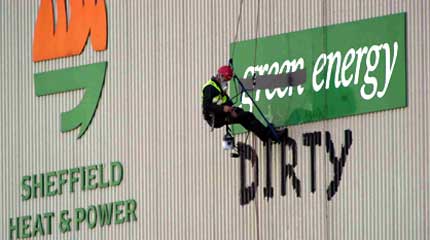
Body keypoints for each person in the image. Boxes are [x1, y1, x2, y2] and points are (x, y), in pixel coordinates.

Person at [202, 65, 280, 142]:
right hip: (215, 118)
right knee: (247, 116)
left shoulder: (219, 86)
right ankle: (267, 136)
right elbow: (206, 106)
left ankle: (265, 135)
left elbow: (226, 101)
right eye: (225, 80)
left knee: (242, 115)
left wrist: (230, 109)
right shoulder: (209, 88)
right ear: (220, 76)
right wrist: (223, 108)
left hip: (222, 113)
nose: (226, 82)